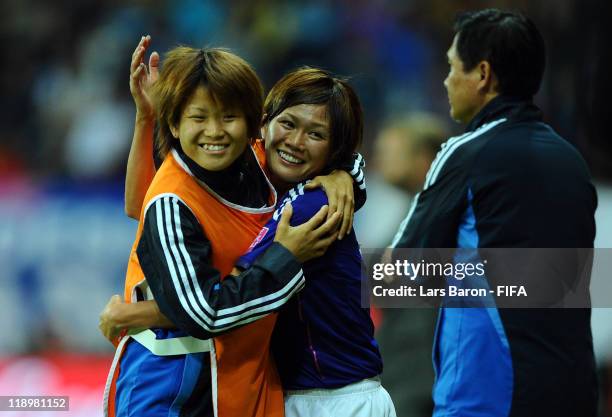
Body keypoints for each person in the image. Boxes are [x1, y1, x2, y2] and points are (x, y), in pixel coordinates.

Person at [102, 45, 348, 417]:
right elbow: (203, 314)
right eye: (199, 117)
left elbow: (138, 204)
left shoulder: (258, 160)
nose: (215, 132)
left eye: (229, 116)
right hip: (170, 382)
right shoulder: (171, 204)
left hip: (248, 376)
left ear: (252, 124)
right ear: (175, 124)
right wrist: (286, 258)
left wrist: (345, 175)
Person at [390, 9, 598, 417]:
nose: (446, 80)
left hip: (487, 392)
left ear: (482, 74)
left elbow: (401, 271)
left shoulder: (465, 152)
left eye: (452, 67)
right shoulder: (572, 161)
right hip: (574, 389)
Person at [236, 68, 396, 417]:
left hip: (333, 401)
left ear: (334, 151)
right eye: (289, 124)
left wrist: (140, 313)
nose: (295, 141)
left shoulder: (310, 204)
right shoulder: (270, 191)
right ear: (264, 122)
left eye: (316, 134)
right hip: (314, 395)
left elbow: (235, 292)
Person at [371, 113, 449, 417]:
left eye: (390, 153)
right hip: (404, 367)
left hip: (418, 372)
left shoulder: (439, 217)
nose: (379, 161)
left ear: (425, 159)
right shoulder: (416, 211)